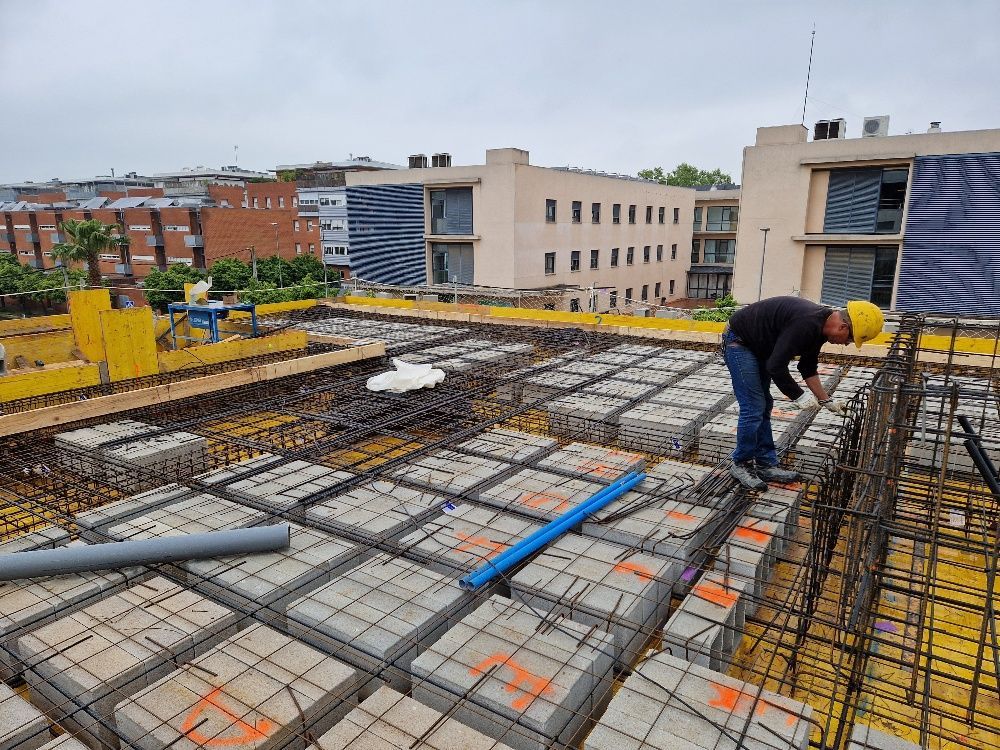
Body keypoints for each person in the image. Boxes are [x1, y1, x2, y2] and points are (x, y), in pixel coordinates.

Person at [722, 296, 884, 491]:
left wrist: (826, 400)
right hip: (739, 342)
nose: (846, 344)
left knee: (764, 404)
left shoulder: (820, 328)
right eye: (850, 339)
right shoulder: (806, 323)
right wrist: (800, 395)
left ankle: (765, 464)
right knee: (753, 406)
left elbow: (807, 367)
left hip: (760, 344)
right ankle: (741, 463)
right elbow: (775, 366)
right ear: (843, 327)